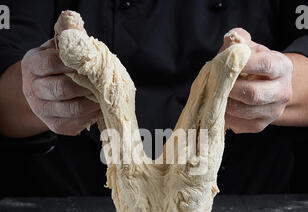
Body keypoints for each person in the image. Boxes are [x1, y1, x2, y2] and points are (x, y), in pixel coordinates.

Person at [0, 0, 308, 197]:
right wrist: (39, 91)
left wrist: (281, 82)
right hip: (72, 206)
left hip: (250, 206)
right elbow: (6, 84)